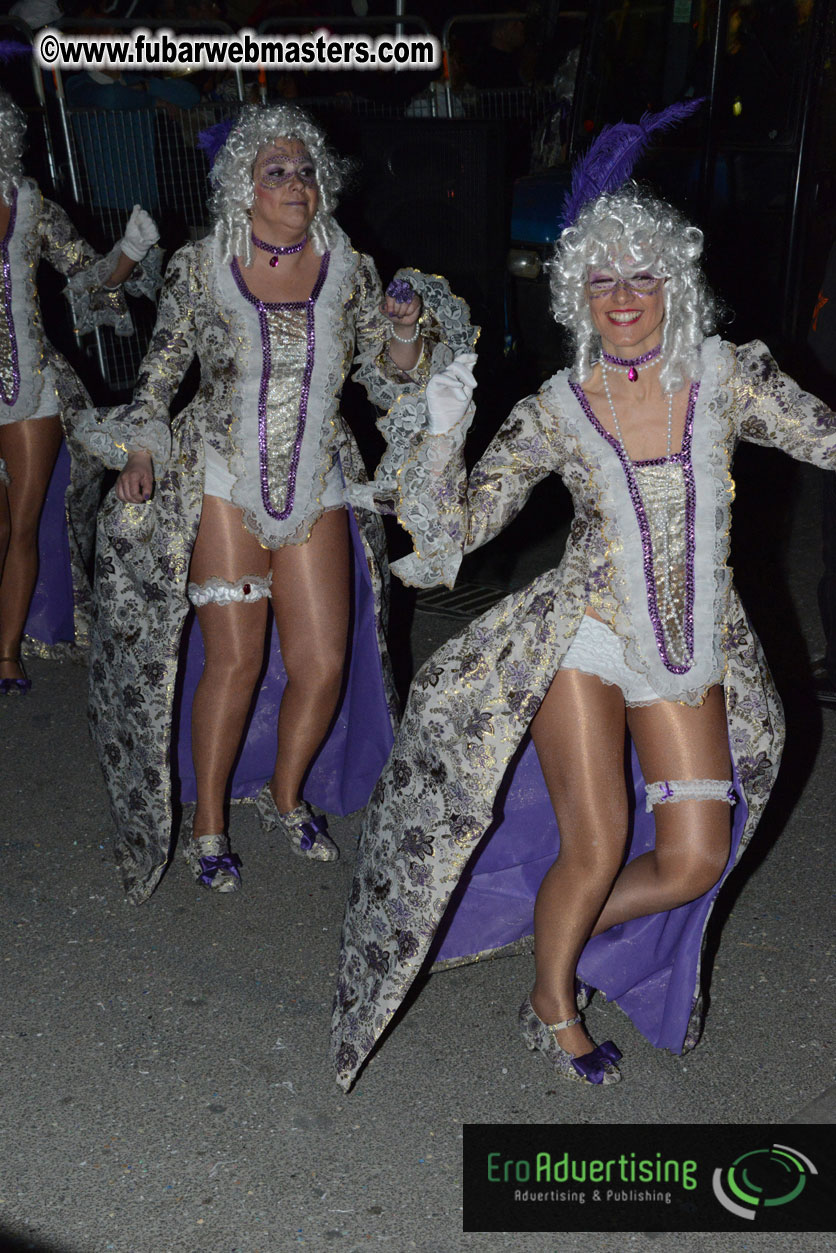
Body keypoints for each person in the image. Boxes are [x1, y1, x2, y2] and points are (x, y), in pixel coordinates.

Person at [331, 112, 836, 1090]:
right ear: (576, 288)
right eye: (599, 278)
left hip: (689, 646)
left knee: (692, 854)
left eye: (639, 276)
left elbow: (825, 436)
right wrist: (437, 438)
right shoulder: (552, 409)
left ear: (671, 284)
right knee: (594, 838)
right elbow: (452, 536)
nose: (620, 298)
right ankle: (550, 996)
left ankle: (555, 924)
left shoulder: (729, 379)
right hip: (580, 637)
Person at [77, 103, 476, 905]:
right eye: (277, 171)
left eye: (305, 170)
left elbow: (389, 380)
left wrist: (403, 335)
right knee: (235, 657)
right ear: (244, 187)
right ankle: (210, 823)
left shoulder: (350, 267)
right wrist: (145, 447)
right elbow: (162, 370)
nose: (297, 183)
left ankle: (287, 795)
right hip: (223, 473)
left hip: (319, 476)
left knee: (323, 662)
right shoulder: (202, 266)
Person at [0, 86, 159, 693]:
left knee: (24, 520)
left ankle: (7, 655)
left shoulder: (29, 203)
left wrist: (130, 250)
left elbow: (87, 277)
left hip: (30, 388)